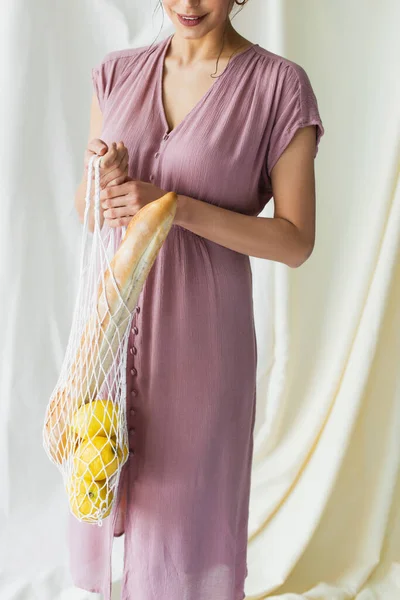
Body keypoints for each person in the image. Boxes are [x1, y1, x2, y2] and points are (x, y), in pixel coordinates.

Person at [72, 1, 324, 599]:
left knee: (185, 532)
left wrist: (173, 204)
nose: (187, 4)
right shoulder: (116, 73)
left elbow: (295, 241)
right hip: (108, 340)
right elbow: (87, 213)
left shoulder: (278, 86)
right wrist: (103, 182)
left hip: (201, 345)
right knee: (101, 492)